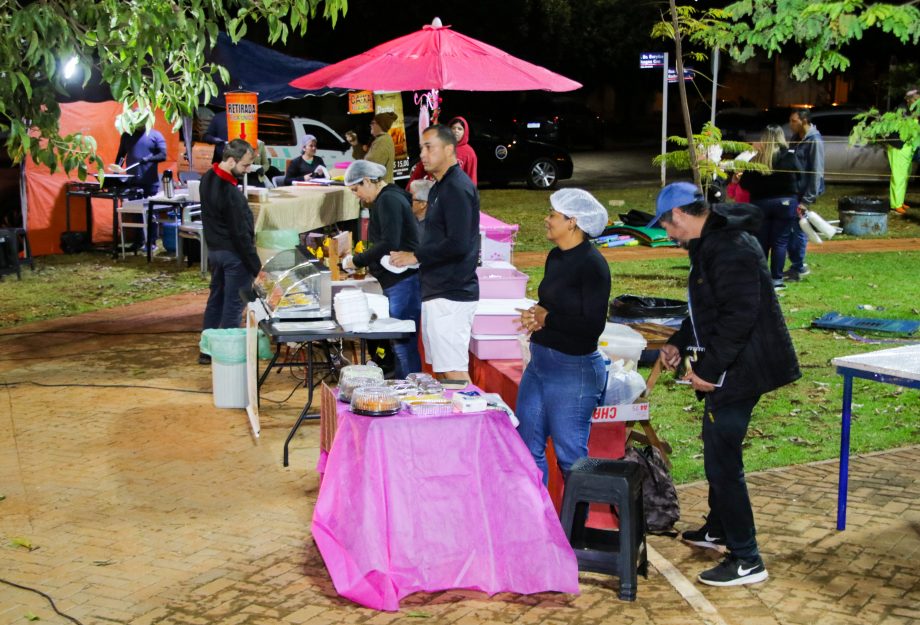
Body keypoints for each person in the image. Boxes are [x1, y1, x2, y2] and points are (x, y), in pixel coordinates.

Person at [651, 182, 800, 587]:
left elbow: (739, 316)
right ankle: (718, 528)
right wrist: (679, 342)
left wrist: (709, 370)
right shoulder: (710, 243)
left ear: (679, 215)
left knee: (722, 460)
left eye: (666, 226)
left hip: (743, 368)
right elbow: (708, 308)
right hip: (734, 365)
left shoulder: (728, 246)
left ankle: (747, 558)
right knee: (716, 448)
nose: (667, 234)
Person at [515, 189, 610, 485]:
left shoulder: (593, 265)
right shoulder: (556, 256)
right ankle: (537, 523)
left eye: (553, 215)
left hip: (573, 370)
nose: (547, 219)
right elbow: (553, 304)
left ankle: (575, 529)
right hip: (541, 363)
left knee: (572, 459)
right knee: (526, 448)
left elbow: (592, 326)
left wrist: (549, 318)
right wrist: (537, 314)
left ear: (572, 222)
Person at [390, 125, 479, 382]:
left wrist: (416, 256)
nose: (423, 154)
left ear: (449, 149)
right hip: (436, 289)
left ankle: (471, 419)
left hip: (452, 292)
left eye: (429, 147)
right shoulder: (440, 185)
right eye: (421, 148)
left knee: (454, 372)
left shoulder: (457, 188)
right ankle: (456, 419)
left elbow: (459, 243)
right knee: (443, 371)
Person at [341, 160, 422, 378]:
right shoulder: (389, 198)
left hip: (402, 282)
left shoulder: (388, 200)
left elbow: (388, 242)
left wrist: (356, 261)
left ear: (367, 181)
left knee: (403, 343)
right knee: (400, 343)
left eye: (356, 189)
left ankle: (410, 391)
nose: (357, 195)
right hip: (398, 281)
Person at [199, 139, 260, 364]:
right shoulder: (231, 193)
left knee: (216, 300)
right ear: (231, 160)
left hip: (215, 251)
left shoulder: (206, 179)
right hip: (234, 255)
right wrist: (255, 266)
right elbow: (241, 235)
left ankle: (207, 350)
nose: (247, 170)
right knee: (233, 304)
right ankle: (227, 357)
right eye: (245, 165)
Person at [739, 125, 802, 290]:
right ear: (781, 137)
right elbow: (801, 177)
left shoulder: (757, 159)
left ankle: (761, 278)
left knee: (762, 242)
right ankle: (777, 279)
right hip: (785, 203)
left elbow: (744, 183)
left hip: (761, 203)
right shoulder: (789, 157)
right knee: (780, 242)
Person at [110, 120, 167, 249]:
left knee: (150, 213)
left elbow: (163, 155)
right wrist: (116, 171)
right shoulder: (126, 136)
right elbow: (121, 156)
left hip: (150, 181)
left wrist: (148, 159)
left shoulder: (155, 135)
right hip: (132, 181)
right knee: (136, 213)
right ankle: (138, 242)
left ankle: (151, 242)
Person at [786, 108, 825, 281]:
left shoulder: (814, 141)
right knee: (792, 229)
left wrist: (806, 200)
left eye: (793, 121)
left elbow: (817, 171)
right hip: (793, 190)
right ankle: (796, 265)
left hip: (803, 194)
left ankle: (799, 266)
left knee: (799, 229)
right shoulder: (795, 139)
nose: (790, 124)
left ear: (804, 121)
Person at [887, 88, 919, 215]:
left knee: (905, 175)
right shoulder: (901, 110)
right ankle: (895, 205)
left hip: (908, 147)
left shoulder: (911, 109)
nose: (917, 102)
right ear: (908, 99)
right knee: (898, 176)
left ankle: (900, 201)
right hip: (899, 146)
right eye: (915, 99)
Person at [364, 112, 398, 183]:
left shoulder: (383, 141)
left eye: (373, 123)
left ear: (380, 125)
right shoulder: (381, 139)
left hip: (381, 187)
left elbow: (373, 168)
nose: (371, 125)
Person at [448, 116, 478, 185]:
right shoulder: (442, 147)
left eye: (460, 129)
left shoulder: (469, 153)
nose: (456, 131)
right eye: (453, 128)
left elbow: (472, 176)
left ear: (465, 132)